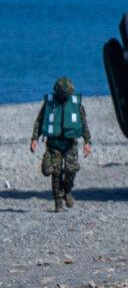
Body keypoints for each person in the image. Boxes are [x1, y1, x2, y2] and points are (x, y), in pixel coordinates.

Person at [31, 77, 92, 212]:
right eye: (63, 94)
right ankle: (58, 202)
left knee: (71, 170)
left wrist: (87, 142)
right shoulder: (50, 104)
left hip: (70, 144)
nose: (65, 96)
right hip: (54, 144)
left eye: (67, 94)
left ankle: (67, 191)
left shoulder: (75, 104)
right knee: (55, 172)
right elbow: (39, 121)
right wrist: (34, 138)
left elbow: (83, 124)